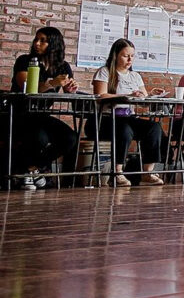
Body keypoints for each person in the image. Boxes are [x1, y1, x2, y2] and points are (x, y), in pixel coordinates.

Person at [7, 27, 80, 190]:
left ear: (54, 44)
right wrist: (52, 83)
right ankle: (29, 172)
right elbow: (27, 88)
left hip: (42, 115)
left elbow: (68, 90)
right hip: (20, 114)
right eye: (36, 39)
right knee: (39, 137)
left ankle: (30, 169)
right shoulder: (25, 61)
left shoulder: (63, 66)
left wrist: (71, 88)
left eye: (42, 40)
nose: (36, 43)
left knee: (70, 138)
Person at [90, 38, 165, 187]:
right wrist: (127, 95)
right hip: (106, 119)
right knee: (124, 130)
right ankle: (117, 173)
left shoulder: (135, 76)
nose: (130, 59)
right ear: (115, 55)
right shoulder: (104, 72)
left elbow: (143, 99)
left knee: (154, 128)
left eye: (132, 56)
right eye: (125, 55)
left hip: (128, 117)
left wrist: (150, 95)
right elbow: (101, 96)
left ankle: (147, 172)